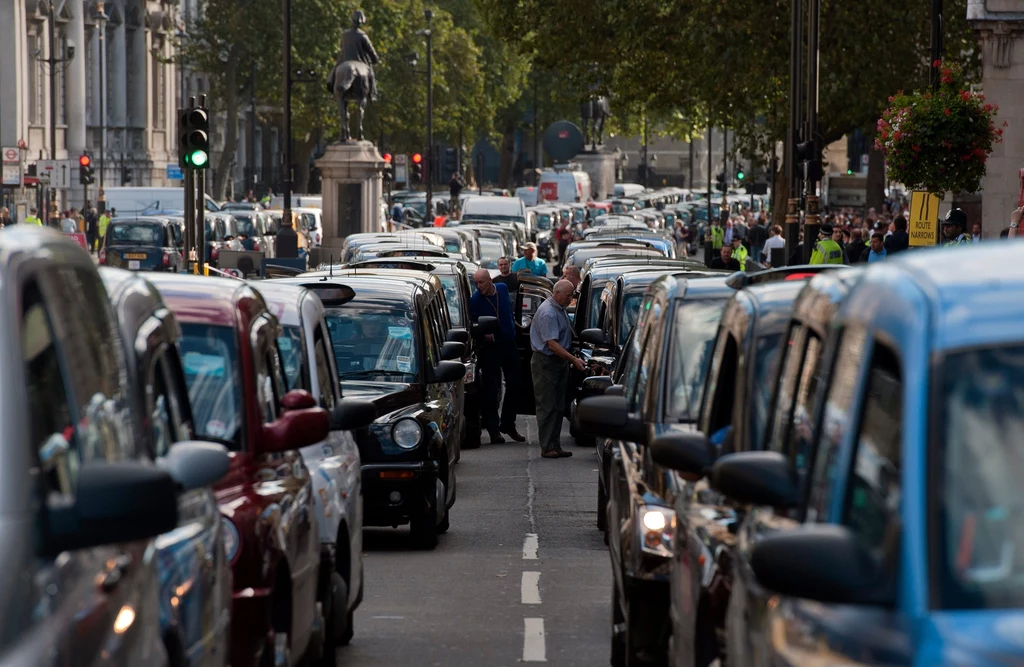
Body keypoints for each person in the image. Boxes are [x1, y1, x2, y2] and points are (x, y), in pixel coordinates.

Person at [530, 279, 584, 459]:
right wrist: (573, 360)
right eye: (569, 295)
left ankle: (555, 444)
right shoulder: (548, 313)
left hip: (558, 362)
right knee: (547, 406)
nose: (571, 299)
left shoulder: (558, 309)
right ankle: (547, 446)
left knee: (558, 406)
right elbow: (552, 344)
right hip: (547, 362)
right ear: (558, 293)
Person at [470, 269, 525, 444]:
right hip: (490, 348)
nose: (479, 287)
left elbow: (508, 309)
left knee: (516, 384)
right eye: (476, 283)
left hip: (509, 343)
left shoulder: (501, 288)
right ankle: (494, 430)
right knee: (491, 389)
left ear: (489, 281)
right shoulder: (475, 300)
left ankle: (508, 423)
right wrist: (482, 332)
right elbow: (473, 324)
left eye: (482, 282)